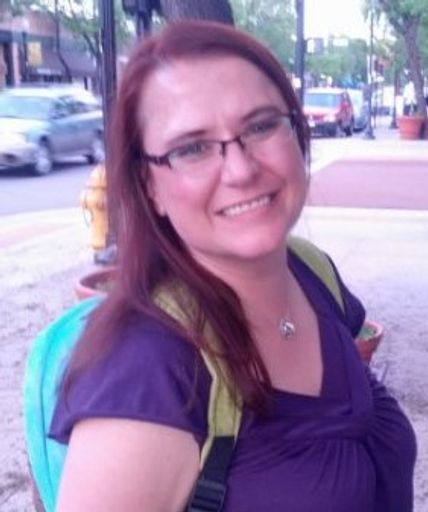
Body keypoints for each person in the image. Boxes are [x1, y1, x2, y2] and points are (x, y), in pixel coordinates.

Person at [49, 21, 416, 511]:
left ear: (297, 131)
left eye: (261, 125)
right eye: (192, 148)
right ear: (149, 186)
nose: (241, 170)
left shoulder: (312, 273)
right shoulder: (146, 374)